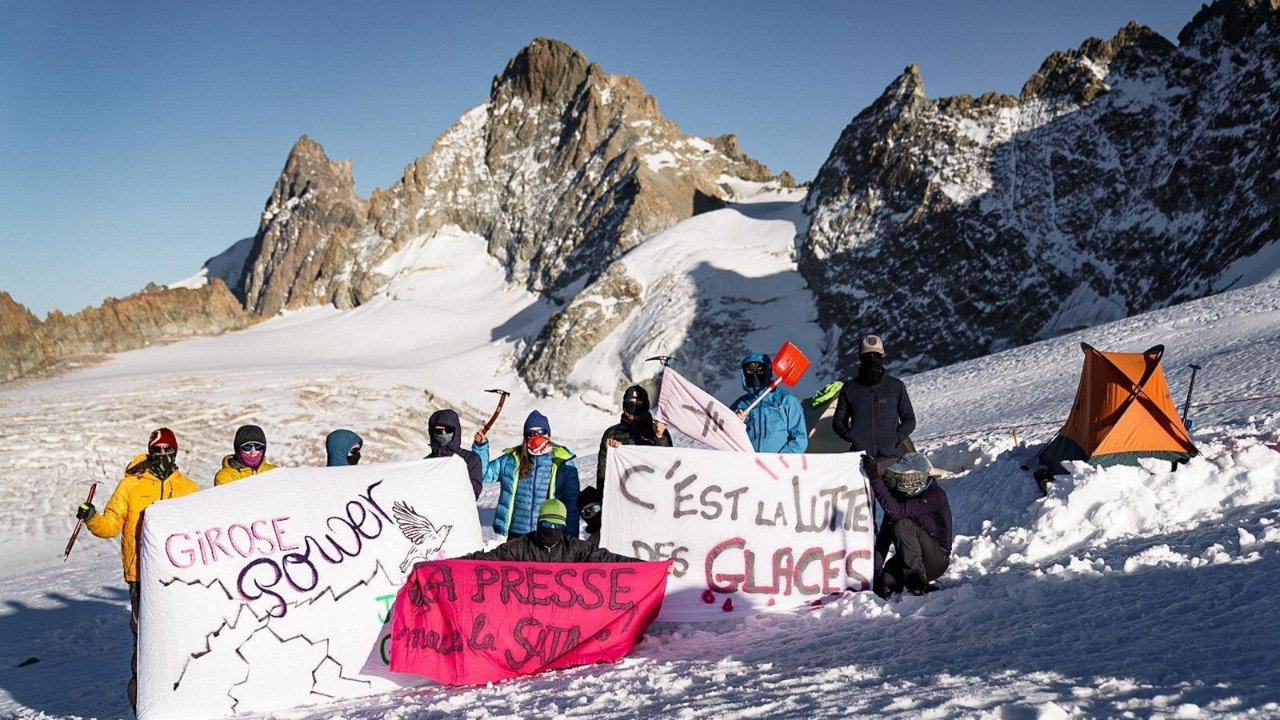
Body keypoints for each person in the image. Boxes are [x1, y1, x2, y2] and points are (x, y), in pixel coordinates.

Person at [74, 428, 200, 713]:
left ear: (176, 451)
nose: (163, 456)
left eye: (169, 450)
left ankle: (185, 703)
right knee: (145, 644)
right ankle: (143, 707)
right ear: (149, 451)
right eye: (158, 451)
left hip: (178, 578)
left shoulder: (188, 488)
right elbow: (110, 525)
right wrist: (92, 516)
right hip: (141, 577)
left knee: (182, 639)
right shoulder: (130, 485)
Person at [472, 410, 580, 538]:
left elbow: (572, 504)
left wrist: (571, 539)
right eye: (531, 433)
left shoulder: (562, 463)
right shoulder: (511, 459)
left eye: (541, 432)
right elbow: (483, 473)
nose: (536, 436)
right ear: (525, 436)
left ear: (548, 434)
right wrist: (481, 447)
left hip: (548, 533)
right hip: (516, 535)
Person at [869, 453, 952, 597]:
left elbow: (898, 512)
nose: (901, 478)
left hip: (937, 559)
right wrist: (874, 573)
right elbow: (884, 538)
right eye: (898, 474)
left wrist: (876, 480)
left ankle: (918, 584)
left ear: (919, 473)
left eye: (904, 473)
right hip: (913, 558)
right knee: (885, 581)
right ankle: (909, 579)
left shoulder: (934, 495)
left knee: (902, 525)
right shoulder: (901, 496)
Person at [832, 335, 916, 464]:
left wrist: (896, 437)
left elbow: (909, 419)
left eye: (876, 355)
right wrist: (853, 437)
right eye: (867, 356)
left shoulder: (895, 386)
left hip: (891, 459)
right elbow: (838, 421)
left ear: (882, 356)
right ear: (860, 357)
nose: (872, 359)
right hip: (859, 460)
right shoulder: (849, 389)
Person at [462, 499, 633, 563]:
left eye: (557, 526)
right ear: (538, 524)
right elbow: (486, 560)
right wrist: (453, 563)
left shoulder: (574, 548)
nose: (551, 530)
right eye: (546, 524)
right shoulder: (521, 546)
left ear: (563, 528)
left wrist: (643, 566)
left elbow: (606, 559)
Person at [596, 384, 671, 489]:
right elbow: (602, 473)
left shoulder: (658, 431)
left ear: (645, 405)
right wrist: (602, 499)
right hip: (622, 494)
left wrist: (660, 437)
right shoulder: (611, 434)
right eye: (629, 403)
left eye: (638, 403)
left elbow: (668, 464)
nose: (633, 406)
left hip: (652, 492)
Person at [730, 353, 808, 453]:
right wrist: (735, 424)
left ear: (767, 371)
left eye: (760, 370)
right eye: (750, 370)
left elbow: (799, 438)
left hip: (778, 465)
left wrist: (781, 460)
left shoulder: (786, 401)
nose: (754, 374)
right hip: (748, 463)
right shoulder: (740, 405)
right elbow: (727, 436)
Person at [426, 409, 483, 499]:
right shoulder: (426, 462)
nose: (443, 434)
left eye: (448, 430)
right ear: (432, 433)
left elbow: (473, 494)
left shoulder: (471, 459)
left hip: (458, 511)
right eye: (438, 431)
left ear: (456, 431)